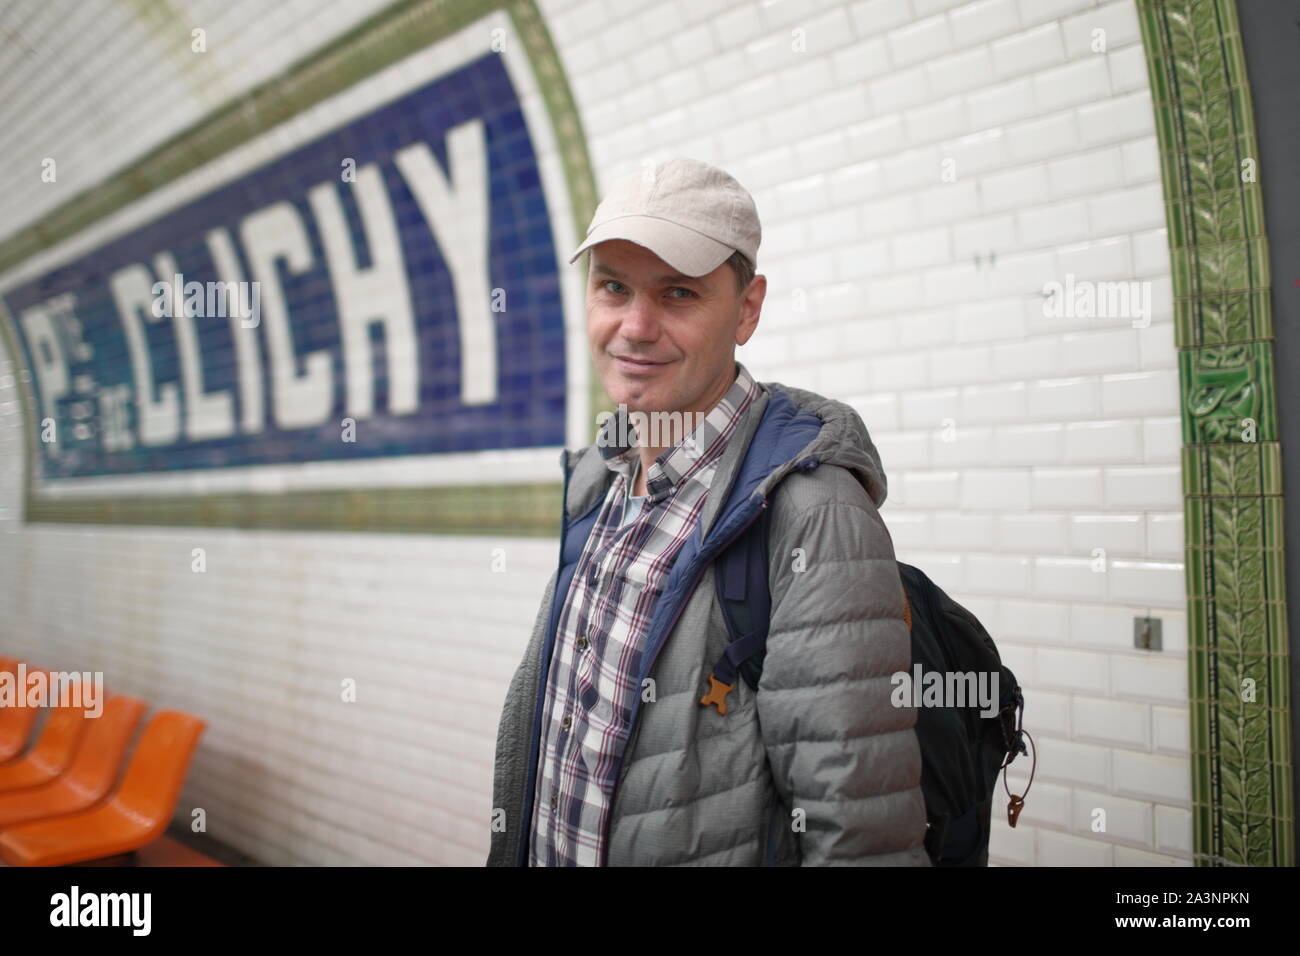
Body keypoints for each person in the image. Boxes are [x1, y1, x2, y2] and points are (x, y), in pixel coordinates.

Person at [487, 157, 930, 866]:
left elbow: (859, 835)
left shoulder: (813, 515)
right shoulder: (597, 481)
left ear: (747, 308)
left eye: (678, 294)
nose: (635, 326)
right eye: (613, 287)